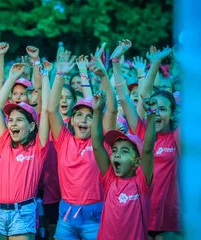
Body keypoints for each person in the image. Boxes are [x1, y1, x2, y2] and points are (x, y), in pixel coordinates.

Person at [112, 40, 181, 239]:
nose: (157, 113)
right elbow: (126, 97)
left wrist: (180, 65)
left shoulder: (176, 137)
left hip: (167, 219)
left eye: (163, 109)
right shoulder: (141, 131)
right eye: (154, 107)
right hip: (138, 213)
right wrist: (116, 61)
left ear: (172, 114)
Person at [48, 50, 117, 239]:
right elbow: (51, 110)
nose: (84, 120)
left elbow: (111, 109)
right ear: (71, 120)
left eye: (90, 116)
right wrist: (60, 75)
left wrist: (103, 76)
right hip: (66, 218)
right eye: (79, 115)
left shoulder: (102, 141)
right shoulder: (63, 141)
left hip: (94, 219)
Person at [0, 63, 50, 239]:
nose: (13, 124)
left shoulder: (38, 148)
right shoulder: (5, 142)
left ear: (32, 126)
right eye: (11, 120)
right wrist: (11, 77)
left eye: (19, 120)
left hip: (23, 212)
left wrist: (46, 78)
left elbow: (46, 110)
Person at [91, 90, 156, 240]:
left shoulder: (141, 183)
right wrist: (96, 111)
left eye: (125, 151)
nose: (117, 154)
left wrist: (151, 115)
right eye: (114, 150)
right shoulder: (109, 179)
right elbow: (97, 146)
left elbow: (147, 150)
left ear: (137, 162)